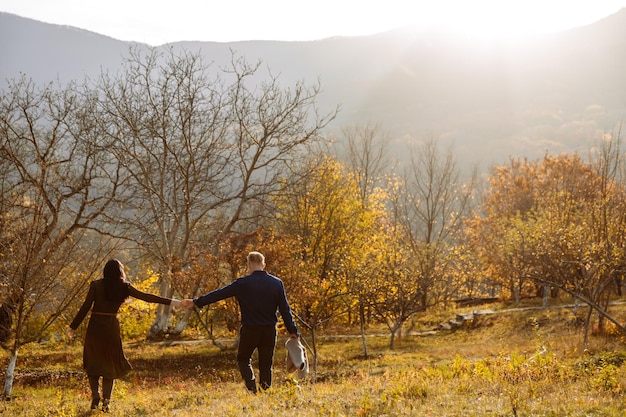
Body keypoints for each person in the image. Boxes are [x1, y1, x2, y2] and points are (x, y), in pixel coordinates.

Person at [66, 259, 182, 412]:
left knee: (93, 361)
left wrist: (72, 327)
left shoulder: (96, 285)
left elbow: (86, 306)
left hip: (95, 327)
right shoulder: (124, 287)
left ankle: (95, 395)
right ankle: (106, 402)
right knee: (110, 364)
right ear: (120, 272)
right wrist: (175, 302)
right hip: (111, 328)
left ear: (105, 271)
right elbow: (147, 297)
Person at [182, 251, 299, 393]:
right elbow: (285, 309)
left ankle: (252, 388)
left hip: (250, 329)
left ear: (249, 265)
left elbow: (219, 294)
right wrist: (293, 331)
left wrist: (196, 302)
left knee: (243, 359)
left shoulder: (242, 284)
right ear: (263, 264)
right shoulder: (276, 283)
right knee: (266, 364)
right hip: (269, 330)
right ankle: (265, 391)